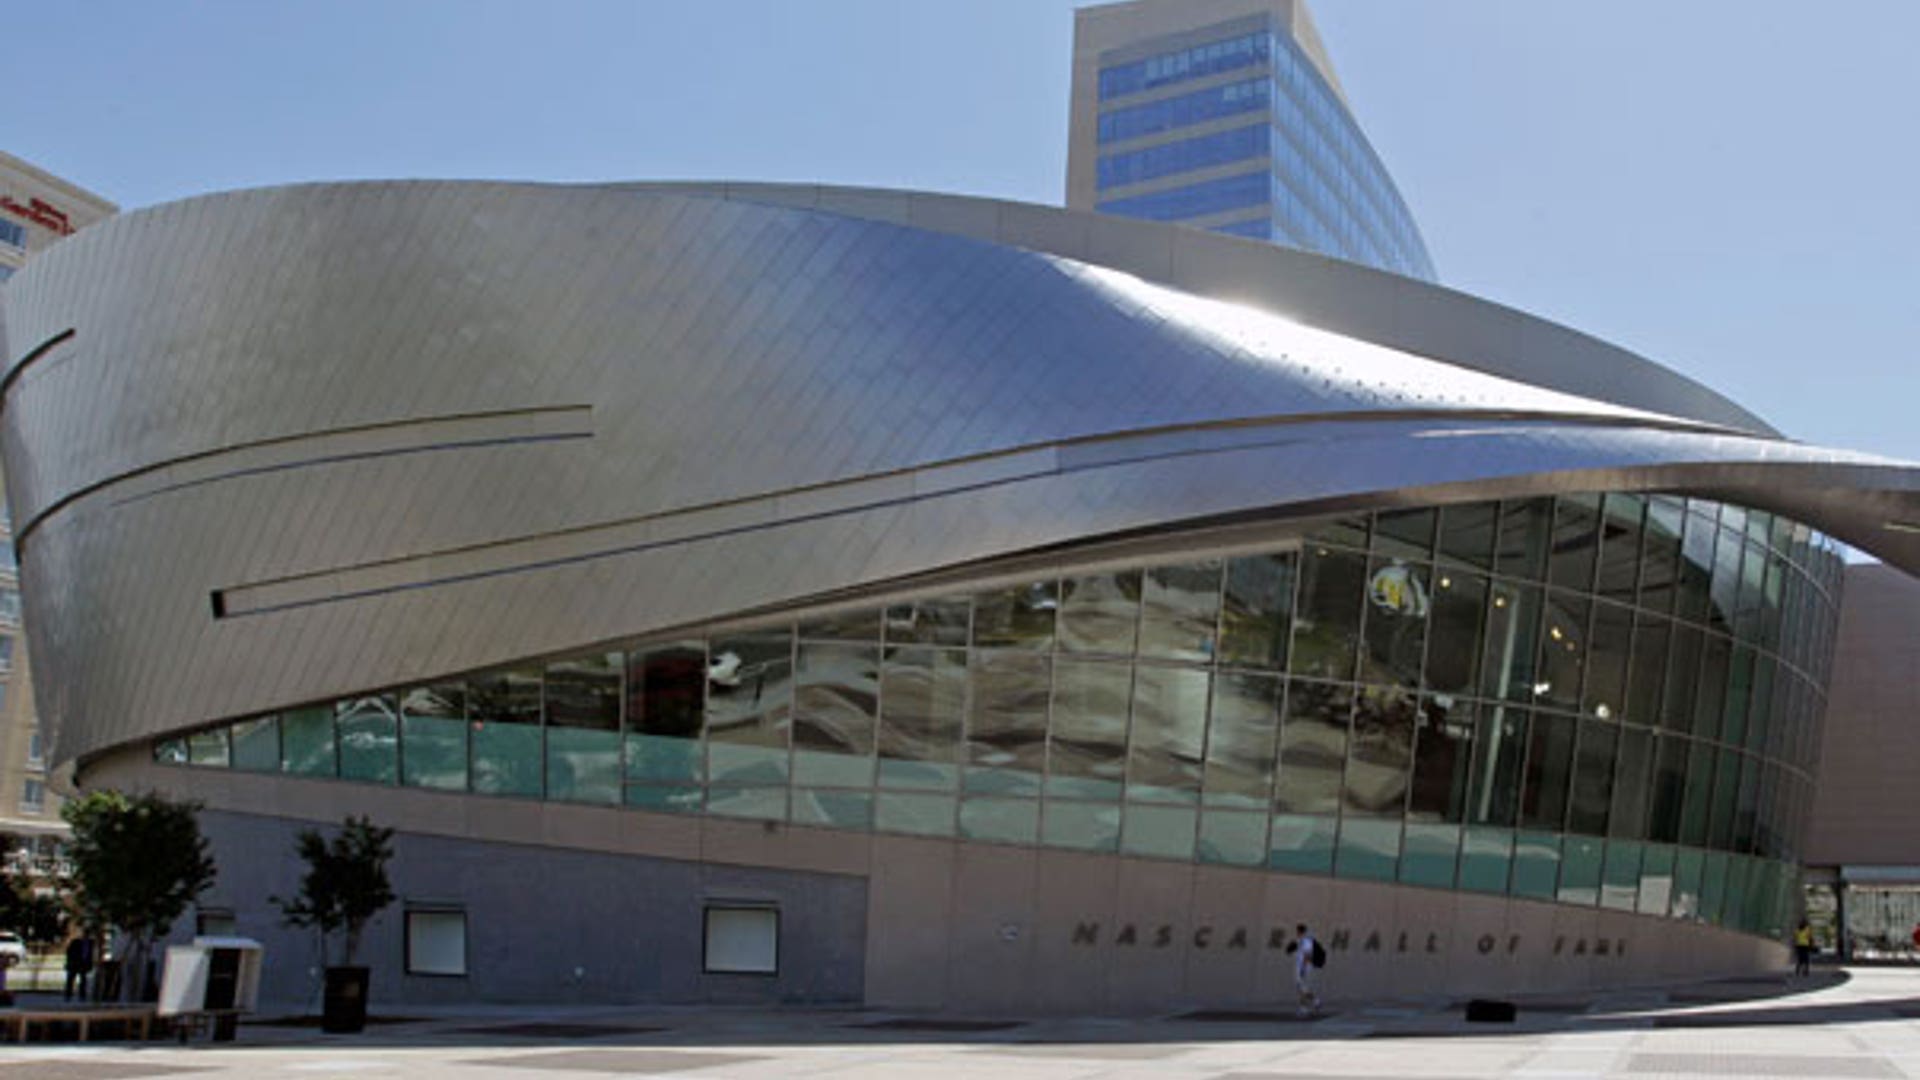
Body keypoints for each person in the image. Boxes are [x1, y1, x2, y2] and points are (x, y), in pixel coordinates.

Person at [1289, 923, 1322, 1016]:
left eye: (1298, 931)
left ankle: (1304, 1008)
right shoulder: (1300, 941)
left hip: (1304, 967)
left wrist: (1303, 968)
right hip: (1299, 966)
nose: (1297, 933)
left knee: (1301, 988)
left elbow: (1307, 955)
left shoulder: (1306, 941)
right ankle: (1316, 1001)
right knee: (1302, 988)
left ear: (1300, 931)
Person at [64, 933, 95, 1001]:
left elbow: (91, 955)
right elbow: (69, 951)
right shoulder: (76, 942)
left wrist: (90, 965)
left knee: (83, 980)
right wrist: (70, 961)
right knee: (71, 979)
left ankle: (82, 996)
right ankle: (68, 995)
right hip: (74, 963)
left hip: (84, 965)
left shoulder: (91, 943)